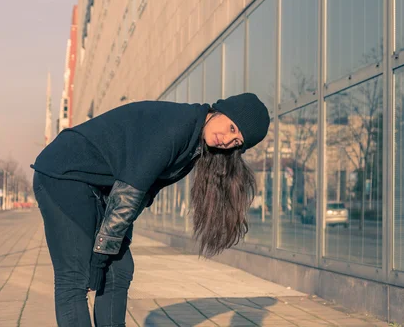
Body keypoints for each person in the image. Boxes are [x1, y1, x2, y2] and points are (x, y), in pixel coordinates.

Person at [31, 92, 270, 327]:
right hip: (63, 173)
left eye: (237, 141)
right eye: (231, 128)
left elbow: (141, 195)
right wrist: (99, 259)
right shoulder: (177, 127)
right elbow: (129, 196)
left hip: (98, 187)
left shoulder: (193, 146)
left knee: (119, 271)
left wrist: (106, 253)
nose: (227, 141)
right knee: (75, 276)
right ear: (222, 111)